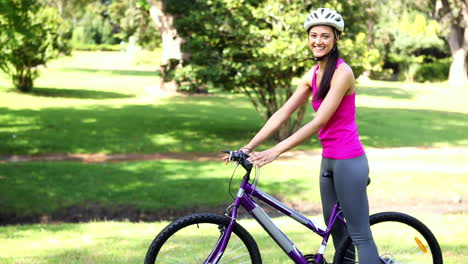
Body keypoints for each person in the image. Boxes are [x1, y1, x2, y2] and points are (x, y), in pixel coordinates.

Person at [225, 7, 380, 263]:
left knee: (359, 235)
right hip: (329, 161)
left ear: (336, 39)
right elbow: (282, 113)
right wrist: (248, 146)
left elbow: (320, 121)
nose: (318, 41)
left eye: (325, 36)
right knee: (338, 236)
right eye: (314, 35)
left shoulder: (343, 73)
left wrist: (276, 150)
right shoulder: (314, 74)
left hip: (349, 161)